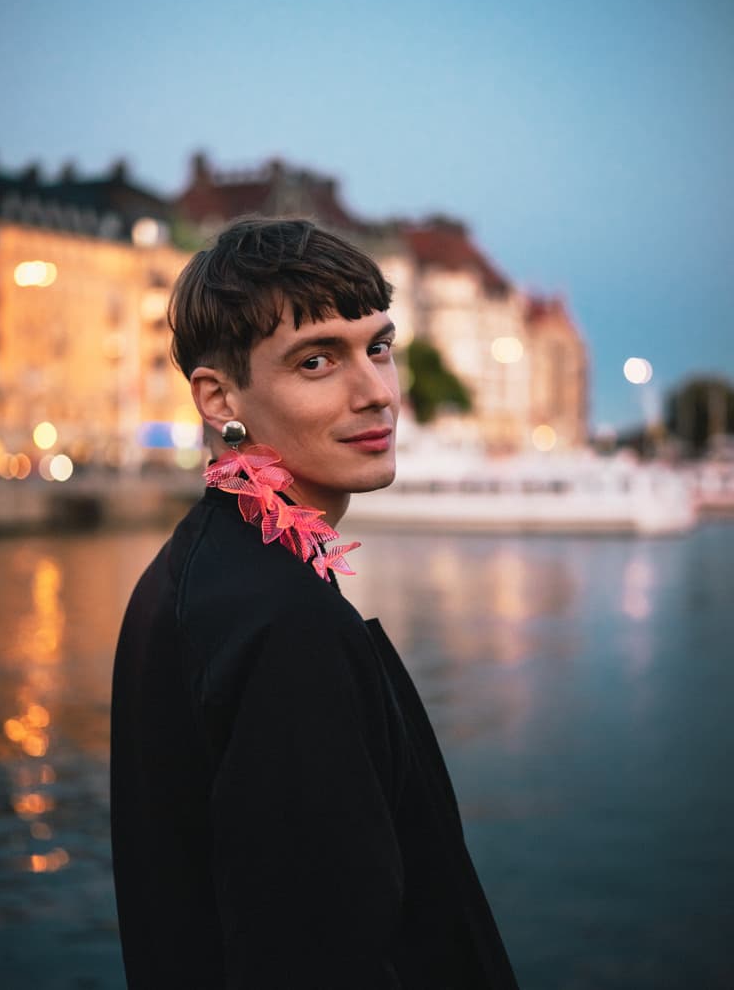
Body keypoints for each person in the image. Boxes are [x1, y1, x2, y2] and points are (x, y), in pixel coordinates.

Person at [110, 217, 519, 989]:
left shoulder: (204, 567)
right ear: (219, 395)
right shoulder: (283, 621)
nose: (376, 392)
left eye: (378, 347)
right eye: (317, 360)